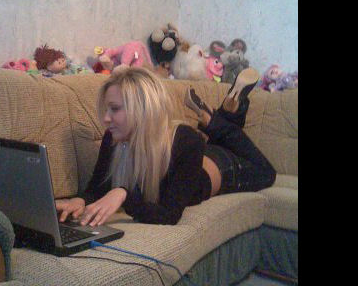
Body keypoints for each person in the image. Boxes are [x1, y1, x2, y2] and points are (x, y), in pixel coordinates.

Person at [55, 66, 276, 226]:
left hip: (226, 167)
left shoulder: (187, 140)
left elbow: (169, 215)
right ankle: (221, 115)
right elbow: (97, 187)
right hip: (198, 158)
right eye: (106, 109)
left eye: (114, 109)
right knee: (218, 139)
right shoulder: (113, 137)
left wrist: (123, 195)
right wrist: (79, 200)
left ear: (143, 108)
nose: (105, 118)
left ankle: (214, 120)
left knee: (267, 173)